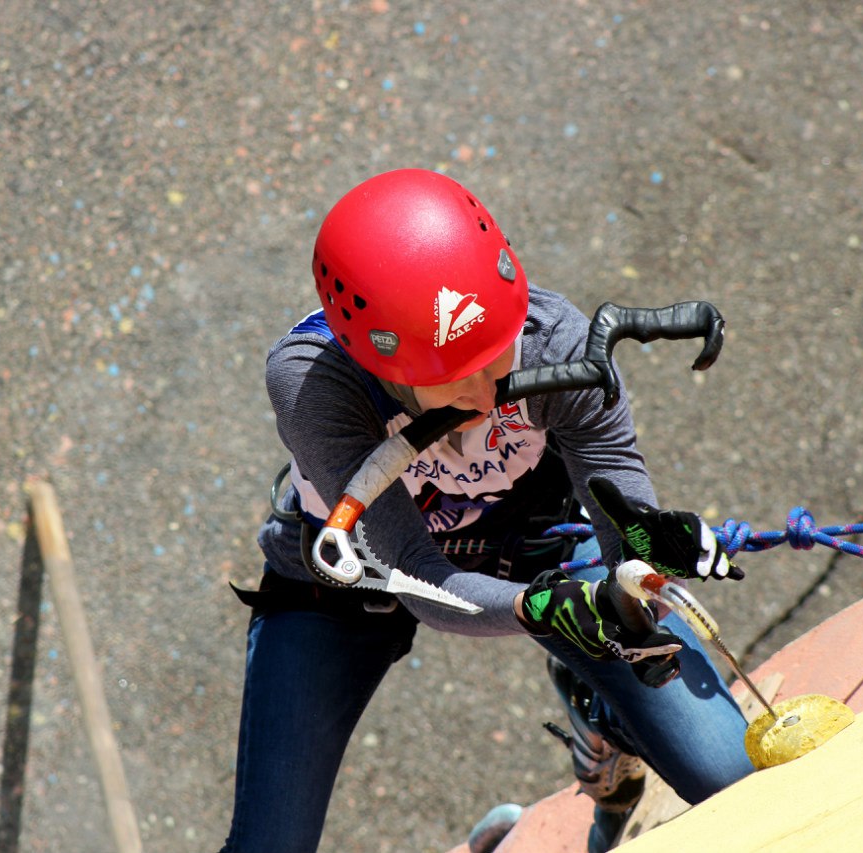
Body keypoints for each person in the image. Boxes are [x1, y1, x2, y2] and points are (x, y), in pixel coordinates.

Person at [221, 169, 755, 853]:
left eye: (496, 353)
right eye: (453, 375)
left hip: (541, 538)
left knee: (729, 775)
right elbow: (417, 575)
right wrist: (538, 607)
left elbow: (622, 514)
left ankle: (611, 717)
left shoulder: (555, 339)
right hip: (355, 573)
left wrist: (642, 550)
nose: (488, 389)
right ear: (376, 361)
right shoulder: (313, 384)